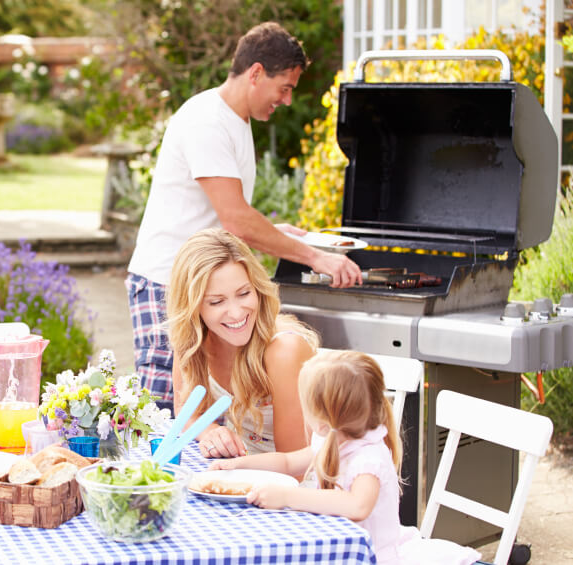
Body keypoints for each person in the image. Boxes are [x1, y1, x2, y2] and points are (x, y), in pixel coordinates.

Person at [126, 22, 362, 411]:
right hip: (166, 283)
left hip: (200, 281)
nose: (286, 100)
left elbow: (225, 216)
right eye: (284, 87)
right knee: (168, 415)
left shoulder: (234, 121)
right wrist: (316, 257)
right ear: (256, 74)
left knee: (205, 414)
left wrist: (275, 232)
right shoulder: (207, 120)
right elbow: (236, 219)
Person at [211, 350, 482, 565]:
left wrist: (288, 497)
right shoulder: (329, 438)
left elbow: (357, 506)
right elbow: (286, 462)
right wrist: (237, 464)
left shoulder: (368, 457)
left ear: (322, 419)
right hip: (336, 546)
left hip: (372, 556)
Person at [167, 228, 320, 458]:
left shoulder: (284, 351)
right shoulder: (193, 340)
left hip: (297, 481)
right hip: (245, 471)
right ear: (193, 307)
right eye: (217, 301)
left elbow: (296, 468)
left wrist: (235, 469)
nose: (237, 313)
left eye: (244, 293)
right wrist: (211, 432)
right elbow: (187, 411)